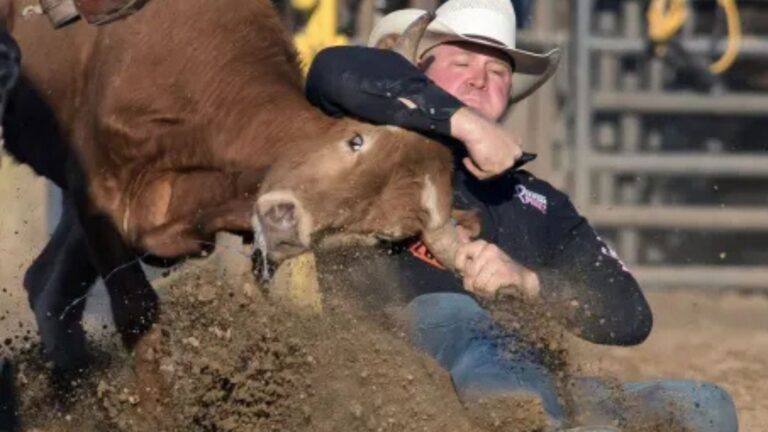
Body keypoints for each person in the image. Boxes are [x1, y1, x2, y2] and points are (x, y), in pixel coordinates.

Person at [304, 0, 739, 431]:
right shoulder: (369, 147)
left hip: (530, 383)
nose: (479, 78)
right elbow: (330, 70)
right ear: (416, 73)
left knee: (703, 405)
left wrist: (528, 282)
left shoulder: (536, 202)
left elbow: (629, 313)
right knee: (460, 315)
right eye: (461, 61)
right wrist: (466, 126)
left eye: (498, 73)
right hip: (393, 381)